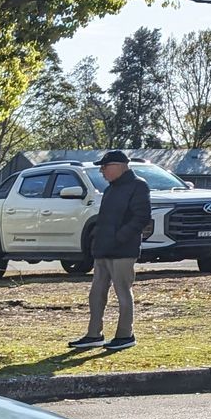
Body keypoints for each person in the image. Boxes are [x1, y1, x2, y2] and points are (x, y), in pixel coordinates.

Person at [70, 150, 150, 352]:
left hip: (123, 251)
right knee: (96, 293)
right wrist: (97, 241)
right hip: (103, 250)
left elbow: (141, 218)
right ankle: (94, 334)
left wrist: (120, 237)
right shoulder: (110, 189)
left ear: (120, 166)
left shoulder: (138, 186)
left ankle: (125, 335)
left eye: (105, 166)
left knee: (123, 292)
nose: (102, 171)